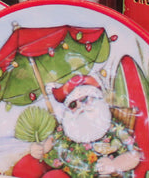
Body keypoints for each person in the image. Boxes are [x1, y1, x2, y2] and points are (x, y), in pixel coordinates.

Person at [14, 75, 142, 178]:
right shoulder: (68, 126)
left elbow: (134, 156)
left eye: (85, 100)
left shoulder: (112, 127)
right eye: (73, 105)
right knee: (27, 166)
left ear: (96, 98)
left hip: (90, 173)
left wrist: (114, 165)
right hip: (59, 165)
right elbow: (51, 142)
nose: (80, 107)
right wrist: (40, 149)